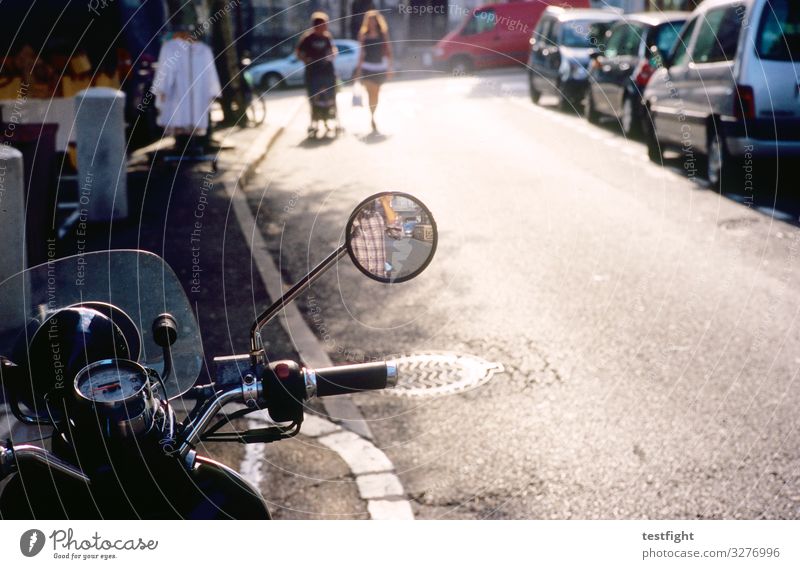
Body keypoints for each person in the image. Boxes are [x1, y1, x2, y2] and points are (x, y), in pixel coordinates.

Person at [296, 12, 338, 136]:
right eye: (323, 25)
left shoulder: (327, 38)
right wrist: (306, 60)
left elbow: (332, 50)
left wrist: (332, 55)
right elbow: (299, 53)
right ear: (316, 26)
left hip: (327, 72)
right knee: (314, 98)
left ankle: (327, 120)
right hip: (313, 73)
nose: (325, 27)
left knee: (329, 96)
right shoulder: (307, 38)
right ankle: (315, 122)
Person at [354, 10, 393, 132]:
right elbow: (361, 53)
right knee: (370, 92)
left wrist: (389, 67)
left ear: (377, 22)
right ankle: (372, 116)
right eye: (370, 20)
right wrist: (358, 70)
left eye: (374, 20)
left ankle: (373, 115)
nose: (372, 23)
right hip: (367, 67)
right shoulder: (363, 35)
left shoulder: (382, 34)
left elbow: (388, 50)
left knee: (375, 94)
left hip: (380, 67)